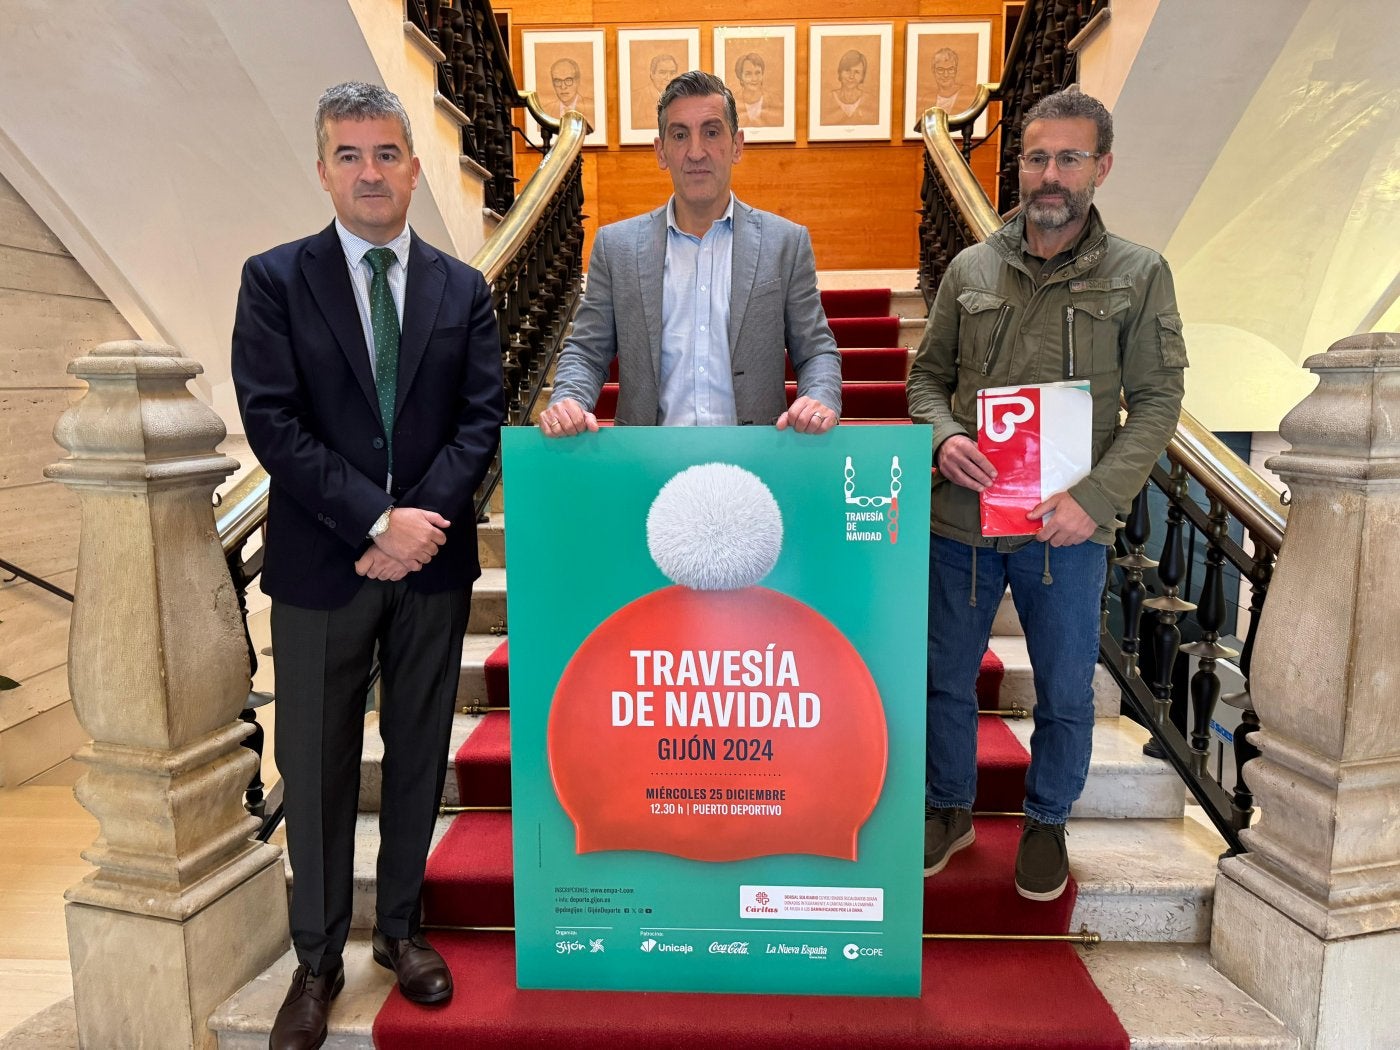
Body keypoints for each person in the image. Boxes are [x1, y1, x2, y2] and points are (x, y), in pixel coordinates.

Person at [232, 81, 505, 1049]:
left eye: (386, 153)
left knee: (419, 755)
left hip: (427, 569)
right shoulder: (274, 280)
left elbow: (479, 419)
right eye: (348, 156)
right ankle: (315, 961)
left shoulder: (460, 288)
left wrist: (417, 524)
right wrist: (373, 519)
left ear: (413, 165)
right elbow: (271, 418)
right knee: (314, 767)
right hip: (321, 566)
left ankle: (399, 931)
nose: (369, 172)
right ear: (321, 171)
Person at [907, 88, 1186, 901]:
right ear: (1020, 167)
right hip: (959, 523)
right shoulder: (970, 269)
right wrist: (942, 437)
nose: (1050, 174)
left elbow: (1157, 402)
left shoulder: (1139, 274)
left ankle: (1046, 819)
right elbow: (927, 381)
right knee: (943, 678)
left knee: (1065, 690)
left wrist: (1095, 500)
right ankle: (948, 807)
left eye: (1069, 157)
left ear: (1101, 166)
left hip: (1064, 533)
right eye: (1036, 157)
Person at [541, 70, 839, 436]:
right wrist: (569, 398)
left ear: (737, 145)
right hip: (649, 466)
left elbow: (816, 352)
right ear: (661, 151)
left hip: (754, 464)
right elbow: (586, 352)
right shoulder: (615, 248)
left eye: (711, 132)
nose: (696, 151)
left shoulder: (785, 244)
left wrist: (820, 396)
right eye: (680, 135)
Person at [821, 49, 875, 125]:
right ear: (840, 72)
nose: (851, 76)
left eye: (857, 72)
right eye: (847, 70)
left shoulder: (871, 100)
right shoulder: (827, 99)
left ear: (862, 76)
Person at [732, 52, 780, 128]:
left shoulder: (775, 100)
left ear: (762, 75)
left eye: (757, 73)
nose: (754, 79)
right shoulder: (731, 102)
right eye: (748, 74)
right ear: (740, 77)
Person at [930, 47, 974, 113]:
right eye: (940, 69)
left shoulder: (968, 94)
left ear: (955, 70)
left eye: (950, 69)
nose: (946, 75)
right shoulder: (927, 99)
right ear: (933, 71)